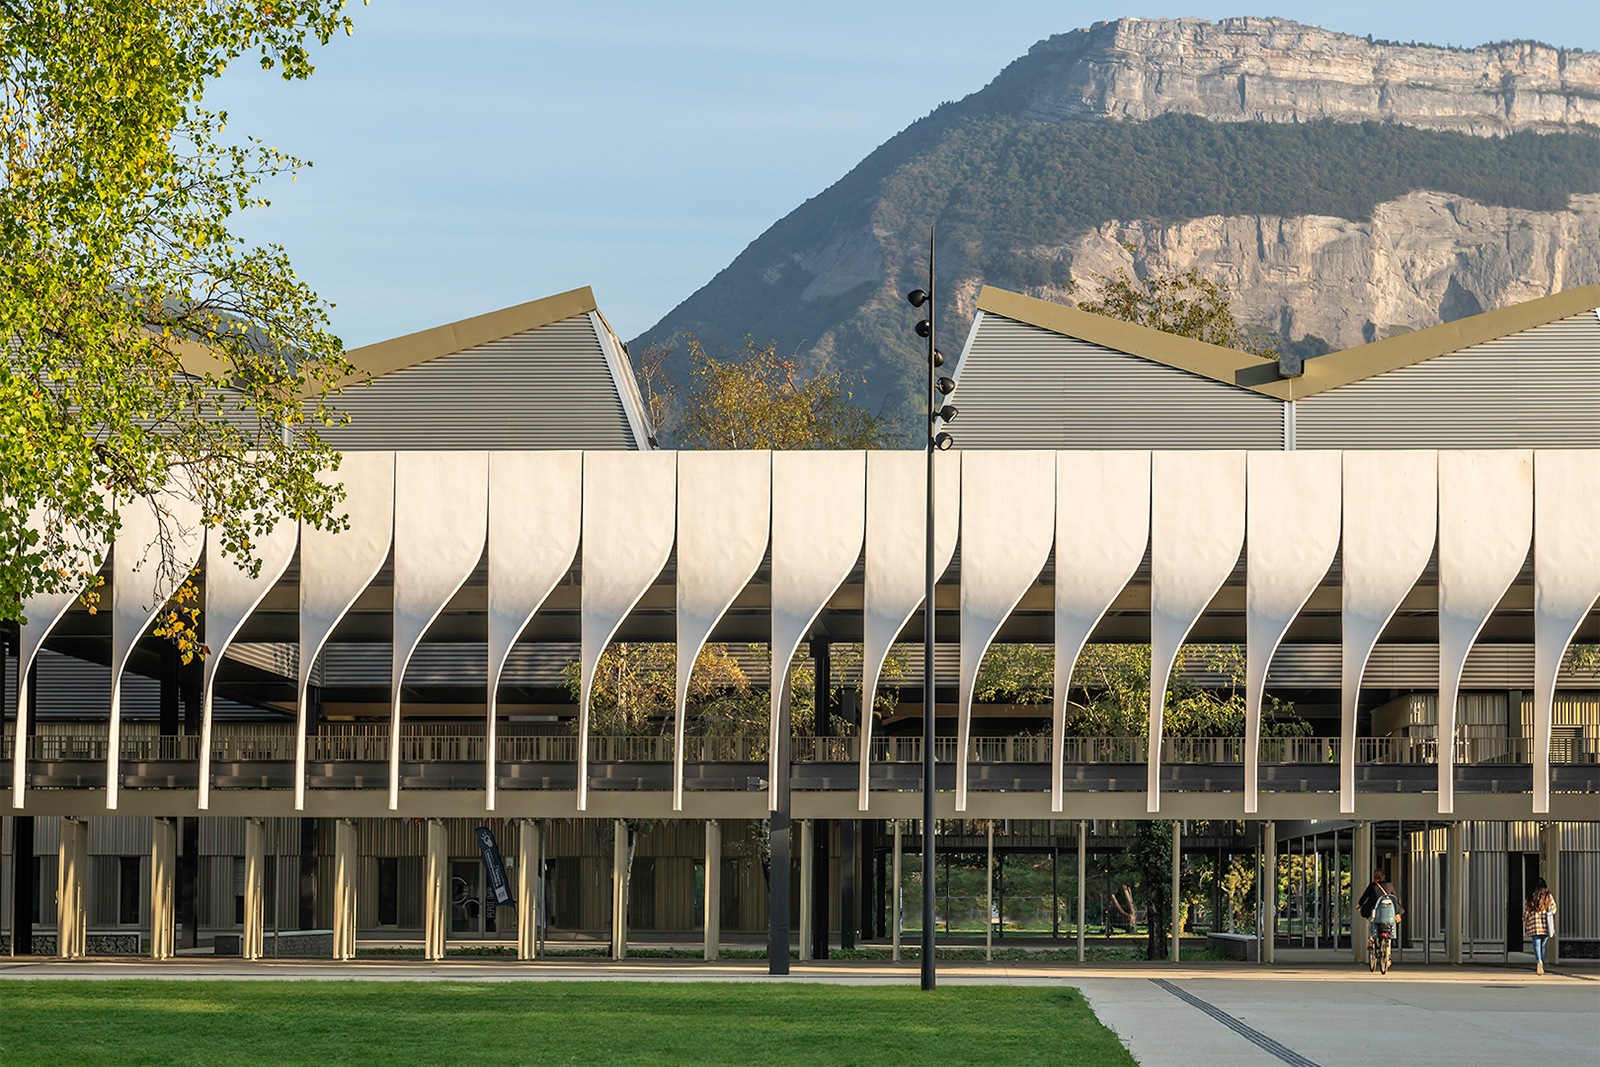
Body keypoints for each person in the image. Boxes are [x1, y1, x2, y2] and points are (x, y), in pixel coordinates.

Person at [1523, 878, 1557, 975]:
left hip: (1534, 925)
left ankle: (1539, 961)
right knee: (1543, 946)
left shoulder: (1531, 897)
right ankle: (1542, 964)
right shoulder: (1548, 897)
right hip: (1545, 925)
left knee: (1536, 945)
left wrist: (1525, 919)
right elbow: (1554, 909)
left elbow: (1527, 911)